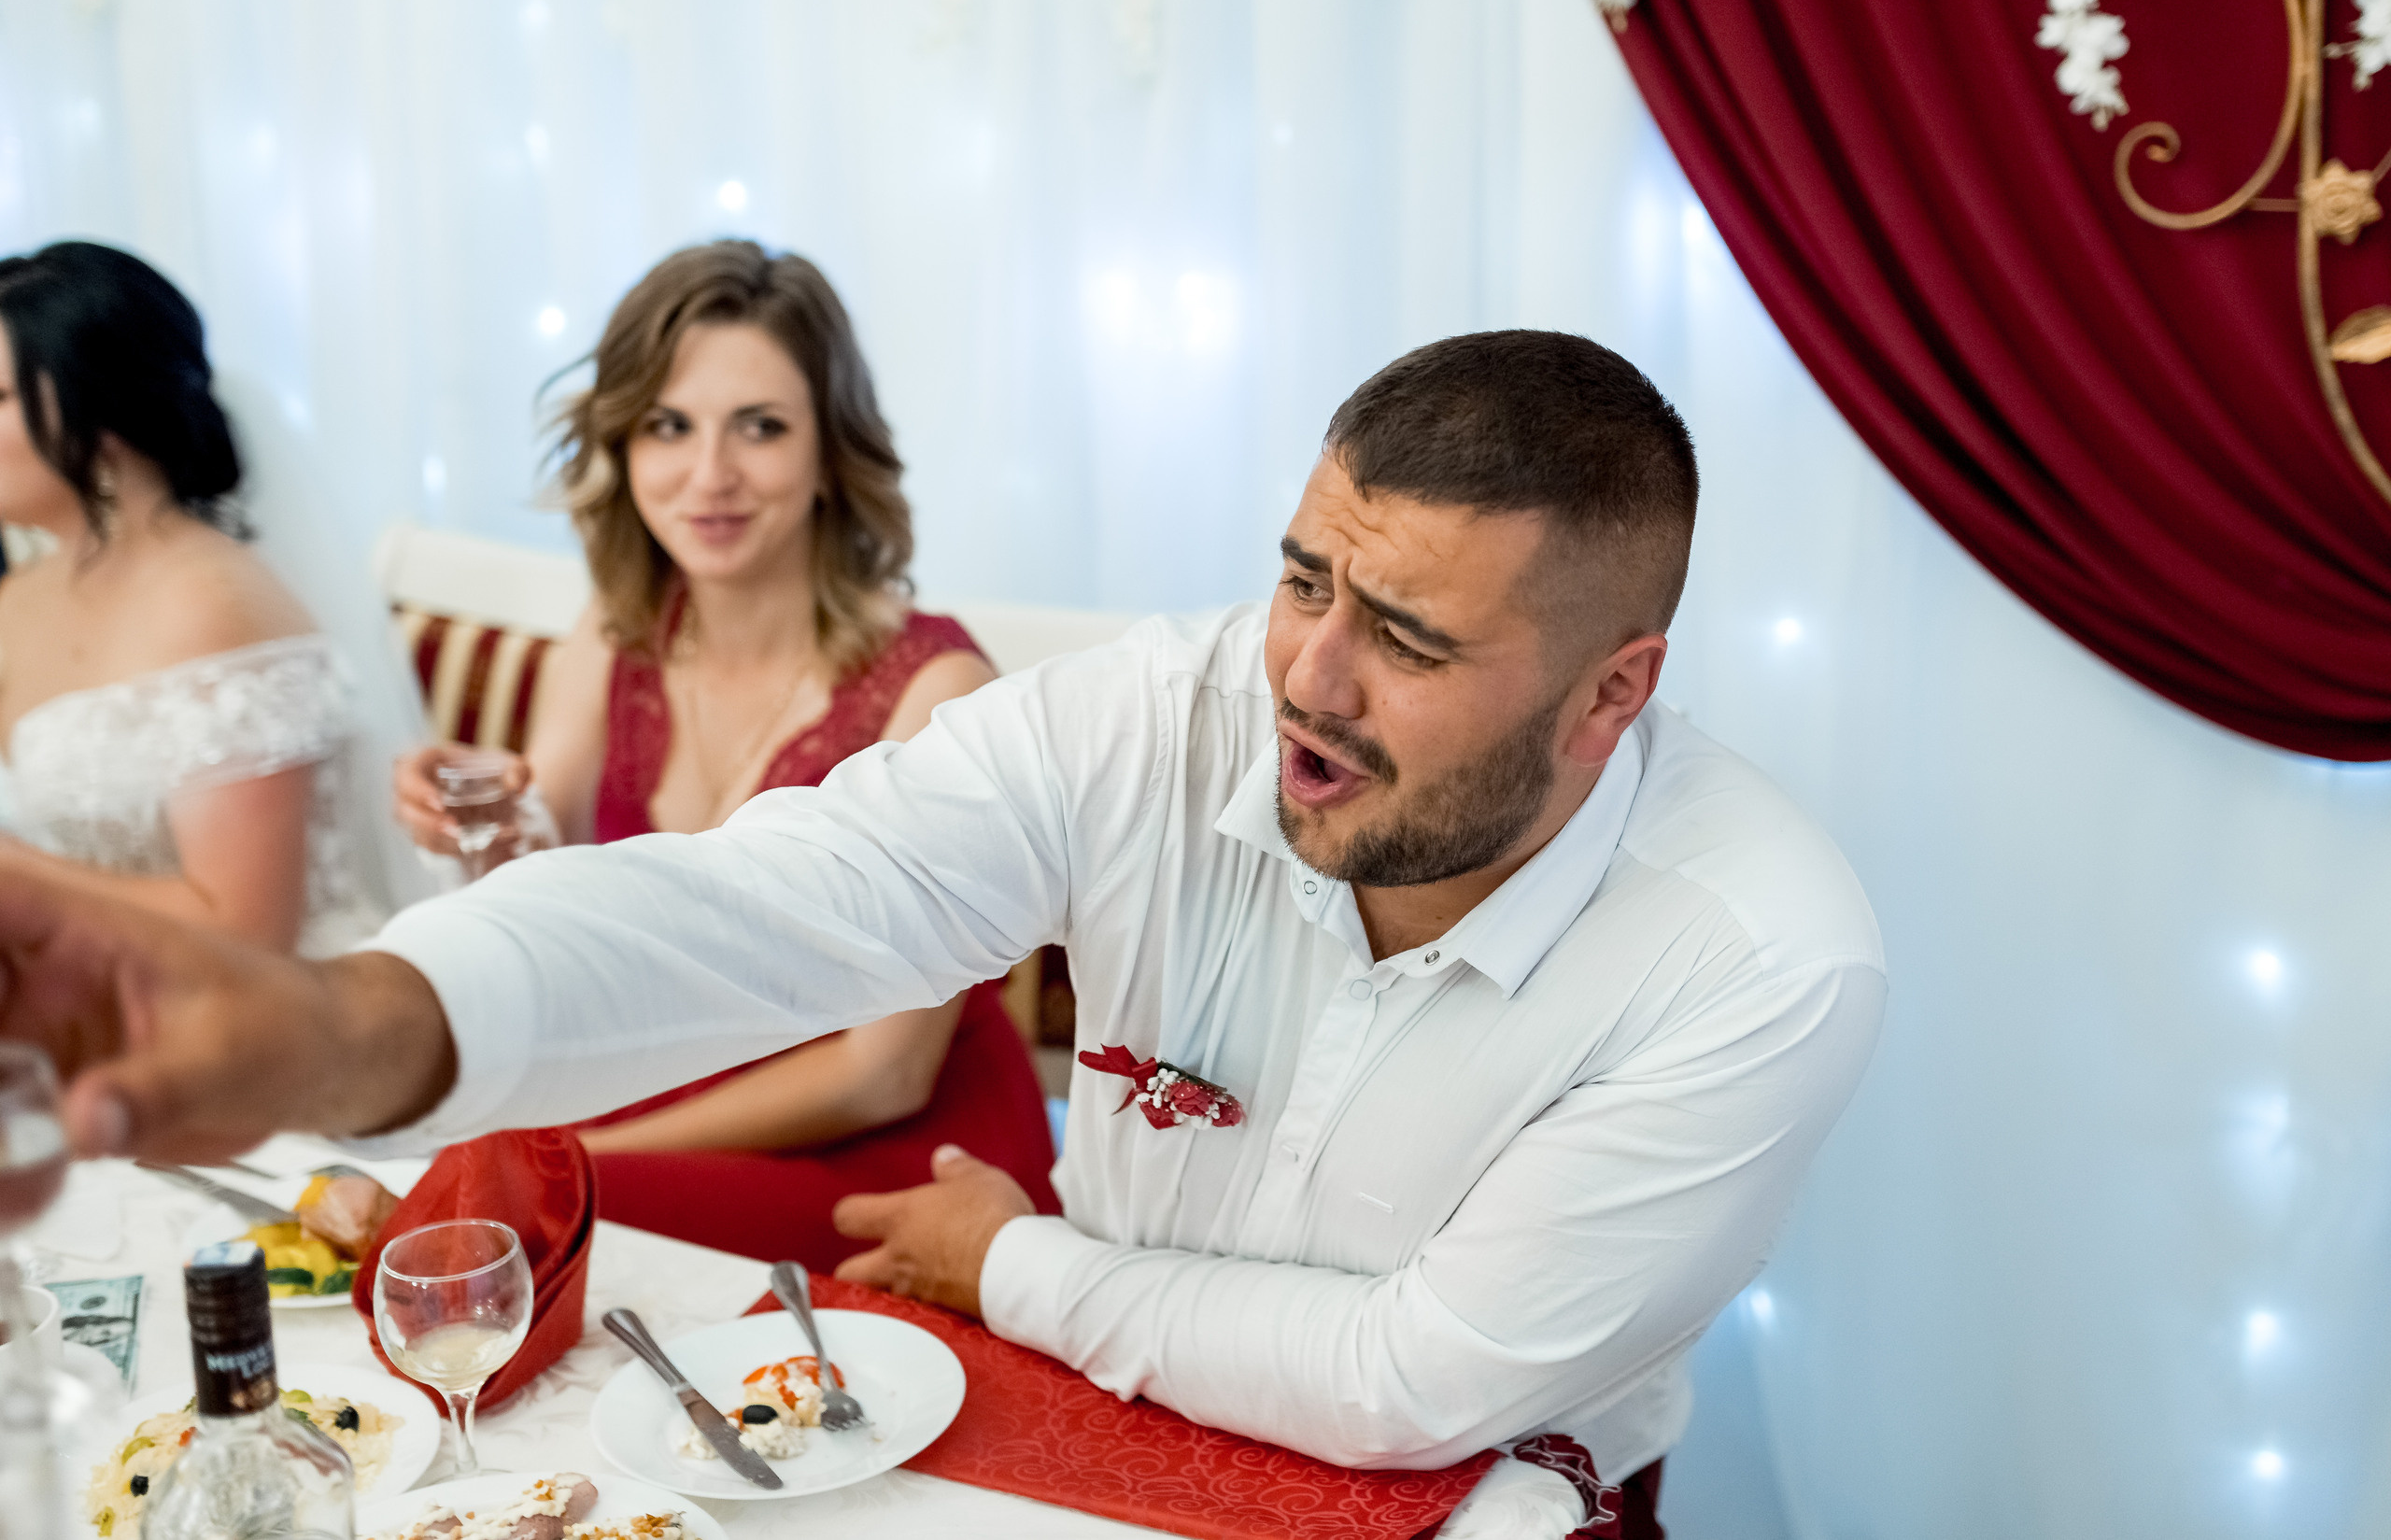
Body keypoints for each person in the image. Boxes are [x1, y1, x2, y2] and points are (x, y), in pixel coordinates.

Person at [5, 332, 1884, 1538]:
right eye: (1300, 575)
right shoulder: (1154, 712)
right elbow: (756, 904)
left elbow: (1415, 1382)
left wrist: (1015, 1260)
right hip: (1090, 1431)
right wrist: (349, 1021)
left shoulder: (1758, 954)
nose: (1300, 675)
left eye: (1403, 636)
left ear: (1606, 691)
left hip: (1474, 1500)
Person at [386, 241, 1058, 1263]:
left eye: (761, 427)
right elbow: (537, 898)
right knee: (454, 1206)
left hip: (879, 1142)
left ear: (831, 451)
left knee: (482, 1217)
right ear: (623, 446)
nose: (710, 476)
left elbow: (882, 1074)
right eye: (668, 426)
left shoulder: (936, 687)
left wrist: (586, 1150)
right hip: (665, 1090)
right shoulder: (612, 635)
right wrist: (467, 820)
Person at [0, 241, 398, 957]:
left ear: (105, 406)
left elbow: (246, 929)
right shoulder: (20, 592)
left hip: (259, 1008)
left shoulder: (214, 608)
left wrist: (16, 872)